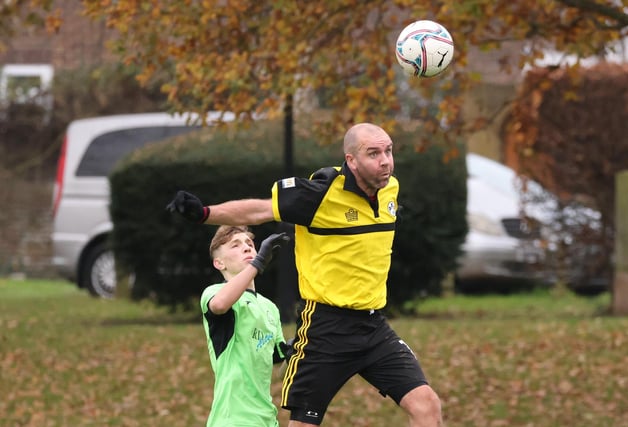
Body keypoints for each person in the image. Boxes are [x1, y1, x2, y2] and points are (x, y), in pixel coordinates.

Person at [167, 123, 444, 427]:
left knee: (427, 405)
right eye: (373, 153)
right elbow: (258, 211)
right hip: (326, 329)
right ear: (351, 160)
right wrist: (205, 214)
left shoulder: (390, 189)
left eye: (389, 151)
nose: (385, 161)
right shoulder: (320, 193)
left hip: (373, 326)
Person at [199, 225, 291, 427]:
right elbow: (220, 305)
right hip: (233, 419)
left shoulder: (270, 308)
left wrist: (297, 349)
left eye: (250, 244)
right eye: (236, 245)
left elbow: (280, 370)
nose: (247, 248)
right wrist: (257, 264)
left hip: (267, 419)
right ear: (219, 263)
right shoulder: (215, 292)